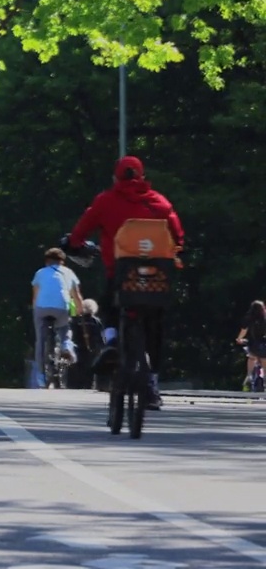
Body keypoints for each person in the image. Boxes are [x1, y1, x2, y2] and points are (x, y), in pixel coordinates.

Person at [68, 155, 185, 409]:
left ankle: (110, 341)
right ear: (142, 177)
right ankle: (152, 385)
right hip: (156, 278)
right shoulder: (160, 203)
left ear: (115, 177)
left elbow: (79, 233)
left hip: (121, 275)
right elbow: (178, 235)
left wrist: (74, 244)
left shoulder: (105, 202)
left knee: (109, 304)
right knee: (155, 326)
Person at [30, 248, 84, 387]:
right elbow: (76, 296)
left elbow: (35, 295)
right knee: (65, 328)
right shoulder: (68, 272)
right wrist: (79, 310)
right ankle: (67, 346)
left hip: (42, 308)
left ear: (47, 261)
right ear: (62, 262)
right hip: (61, 307)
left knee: (40, 341)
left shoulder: (40, 272)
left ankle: (41, 376)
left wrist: (36, 310)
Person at [235, 301, 266, 390]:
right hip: (264, 345)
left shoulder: (248, 319)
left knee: (251, 357)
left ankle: (249, 376)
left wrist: (239, 339)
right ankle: (265, 380)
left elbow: (243, 331)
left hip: (253, 345)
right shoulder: (264, 318)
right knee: (264, 362)